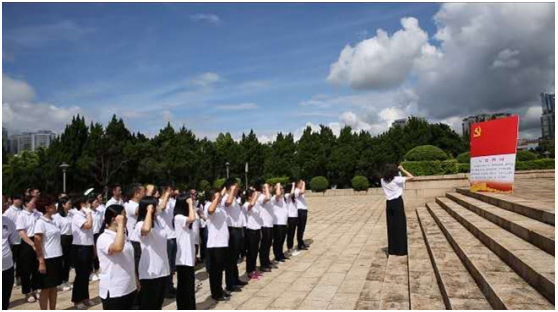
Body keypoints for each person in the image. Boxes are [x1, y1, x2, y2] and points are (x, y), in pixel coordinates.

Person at [97, 204, 138, 310]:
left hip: (129, 286)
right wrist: (120, 225)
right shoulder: (104, 237)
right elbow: (117, 248)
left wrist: (135, 280)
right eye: (124, 216)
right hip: (114, 290)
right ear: (114, 219)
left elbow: (129, 260)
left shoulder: (123, 235)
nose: (127, 219)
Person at [135, 196, 170, 310]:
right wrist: (149, 211)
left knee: (158, 304)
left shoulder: (158, 222)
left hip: (163, 269)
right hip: (150, 272)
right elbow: (145, 230)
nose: (158, 208)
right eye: (156, 206)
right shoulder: (140, 224)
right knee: (149, 305)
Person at [33, 194, 63, 310]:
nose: (55, 206)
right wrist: (41, 261)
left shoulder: (53, 221)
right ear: (46, 207)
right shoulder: (40, 222)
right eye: (52, 205)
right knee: (45, 288)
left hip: (57, 257)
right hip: (47, 258)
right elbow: (37, 242)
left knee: (54, 287)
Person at [381, 164, 414, 256]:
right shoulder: (397, 179)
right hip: (397, 202)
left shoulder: (382, 180)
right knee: (400, 225)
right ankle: (401, 250)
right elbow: (412, 177)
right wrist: (402, 170)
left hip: (389, 203)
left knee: (391, 226)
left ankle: (392, 249)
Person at [222, 178, 248, 293]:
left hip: (237, 229)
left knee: (235, 258)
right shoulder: (226, 198)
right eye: (236, 187)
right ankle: (230, 283)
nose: (238, 189)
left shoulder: (235, 199)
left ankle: (235, 279)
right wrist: (232, 191)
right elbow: (227, 203)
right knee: (230, 259)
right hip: (231, 230)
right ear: (231, 187)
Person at [205, 189, 230, 301]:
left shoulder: (220, 208)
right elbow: (210, 211)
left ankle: (219, 289)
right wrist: (216, 199)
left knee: (220, 270)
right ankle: (216, 293)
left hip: (223, 242)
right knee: (215, 271)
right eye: (216, 197)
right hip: (215, 244)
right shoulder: (209, 205)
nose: (220, 198)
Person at [70, 197, 95, 309]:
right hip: (80, 247)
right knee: (80, 274)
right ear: (81, 204)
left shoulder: (85, 215)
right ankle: (77, 299)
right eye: (87, 203)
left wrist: (93, 248)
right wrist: (89, 213)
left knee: (87, 273)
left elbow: (90, 233)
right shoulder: (77, 216)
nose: (89, 205)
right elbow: (88, 225)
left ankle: (85, 297)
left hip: (88, 246)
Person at [173, 193, 197, 309]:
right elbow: (192, 218)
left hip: (188, 257)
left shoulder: (183, 219)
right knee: (184, 287)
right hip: (182, 259)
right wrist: (190, 204)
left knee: (189, 287)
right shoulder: (178, 217)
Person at [16, 195, 41, 303]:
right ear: (26, 203)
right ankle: (27, 291)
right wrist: (32, 244)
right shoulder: (21, 215)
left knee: (36, 266)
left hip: (38, 239)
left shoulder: (37, 213)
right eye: (32, 202)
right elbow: (21, 232)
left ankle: (35, 288)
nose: (34, 204)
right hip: (27, 242)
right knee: (26, 268)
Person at [157, 186, 176, 298]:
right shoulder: (159, 202)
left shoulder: (171, 202)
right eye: (169, 190)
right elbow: (161, 208)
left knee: (172, 266)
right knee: (167, 265)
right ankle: (165, 290)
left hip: (173, 235)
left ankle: (170, 285)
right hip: (165, 238)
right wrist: (166, 195)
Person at [124, 184, 146, 276]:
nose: (145, 194)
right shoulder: (129, 204)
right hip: (134, 240)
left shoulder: (138, 204)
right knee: (137, 268)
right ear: (136, 194)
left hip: (142, 239)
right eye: (144, 192)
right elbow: (138, 211)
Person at [53, 197, 73, 291]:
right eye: (68, 203)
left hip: (70, 238)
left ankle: (65, 280)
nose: (70, 205)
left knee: (68, 261)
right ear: (63, 205)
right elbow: (56, 230)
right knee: (61, 261)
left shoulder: (71, 214)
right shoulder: (57, 217)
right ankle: (59, 281)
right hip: (62, 238)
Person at [3, 194, 23, 288]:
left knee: (20, 261)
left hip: (21, 239)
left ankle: (18, 276)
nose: (4, 204)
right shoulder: (8, 212)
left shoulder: (21, 211)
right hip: (12, 243)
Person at [244, 188, 263, 280]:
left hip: (257, 229)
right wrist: (256, 195)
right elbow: (250, 205)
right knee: (251, 252)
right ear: (249, 196)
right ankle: (249, 271)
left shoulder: (256, 204)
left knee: (255, 252)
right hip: (250, 231)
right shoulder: (246, 204)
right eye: (253, 195)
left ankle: (253, 269)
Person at [3, 195, 17, 310]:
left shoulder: (8, 221)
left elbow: (13, 241)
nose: (4, 205)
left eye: (4, 202)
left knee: (4, 299)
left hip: (7, 266)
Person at [258, 182, 275, 271]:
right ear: (263, 189)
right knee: (264, 245)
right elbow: (267, 198)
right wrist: (265, 187)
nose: (269, 189)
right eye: (267, 188)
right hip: (264, 224)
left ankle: (267, 261)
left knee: (268, 244)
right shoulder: (261, 197)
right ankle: (263, 264)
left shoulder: (270, 196)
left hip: (270, 224)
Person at [272, 183, 289, 262]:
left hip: (283, 222)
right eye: (281, 188)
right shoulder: (275, 198)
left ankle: (281, 254)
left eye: (282, 188)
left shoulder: (283, 198)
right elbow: (278, 194)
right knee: (277, 240)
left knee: (282, 240)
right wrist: (278, 185)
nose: (282, 189)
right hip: (277, 223)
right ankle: (277, 256)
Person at [90, 197, 103, 282]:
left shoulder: (99, 212)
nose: (97, 204)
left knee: (98, 253)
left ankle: (97, 270)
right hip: (91, 234)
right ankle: (91, 272)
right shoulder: (88, 212)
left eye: (98, 202)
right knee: (92, 253)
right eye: (95, 202)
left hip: (98, 234)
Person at [285, 183, 300, 256]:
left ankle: (291, 247)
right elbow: (291, 193)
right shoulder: (287, 195)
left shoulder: (294, 197)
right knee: (290, 234)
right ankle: (289, 248)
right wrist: (293, 185)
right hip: (290, 217)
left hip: (295, 217)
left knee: (292, 233)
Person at [294, 180, 309, 250]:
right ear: (297, 184)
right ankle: (300, 244)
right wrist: (304, 184)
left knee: (302, 228)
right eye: (301, 183)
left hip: (303, 210)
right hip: (300, 211)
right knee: (300, 228)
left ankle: (301, 242)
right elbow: (302, 191)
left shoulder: (299, 190)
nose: (302, 184)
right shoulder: (296, 190)